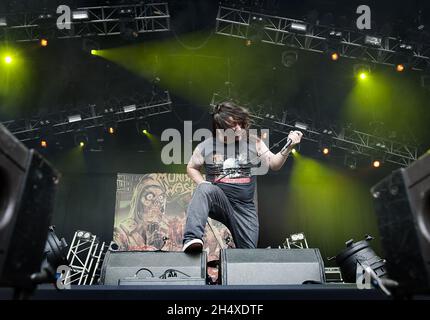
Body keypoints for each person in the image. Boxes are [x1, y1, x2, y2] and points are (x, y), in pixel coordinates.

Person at [182, 101, 303, 252]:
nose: (239, 128)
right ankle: (192, 238)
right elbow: (191, 167)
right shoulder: (206, 146)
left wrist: (289, 146)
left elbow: (273, 163)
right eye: (233, 127)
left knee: (247, 255)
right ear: (221, 129)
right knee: (204, 189)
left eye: (239, 123)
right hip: (220, 200)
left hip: (245, 208)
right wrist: (203, 182)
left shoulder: (254, 142)